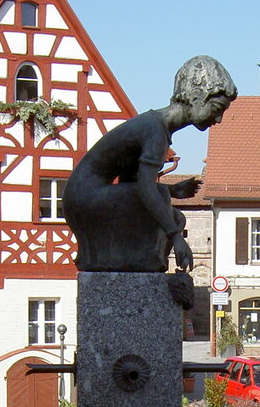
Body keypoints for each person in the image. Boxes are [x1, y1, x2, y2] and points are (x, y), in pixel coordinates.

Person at [63, 56, 237, 275]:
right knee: (164, 208)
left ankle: (146, 268)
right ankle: (142, 263)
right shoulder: (155, 131)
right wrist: (176, 237)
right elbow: (145, 189)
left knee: (177, 217)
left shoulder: (153, 126)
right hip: (86, 200)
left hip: (85, 199)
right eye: (217, 108)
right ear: (195, 97)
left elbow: (130, 182)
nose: (219, 119)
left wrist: (172, 191)